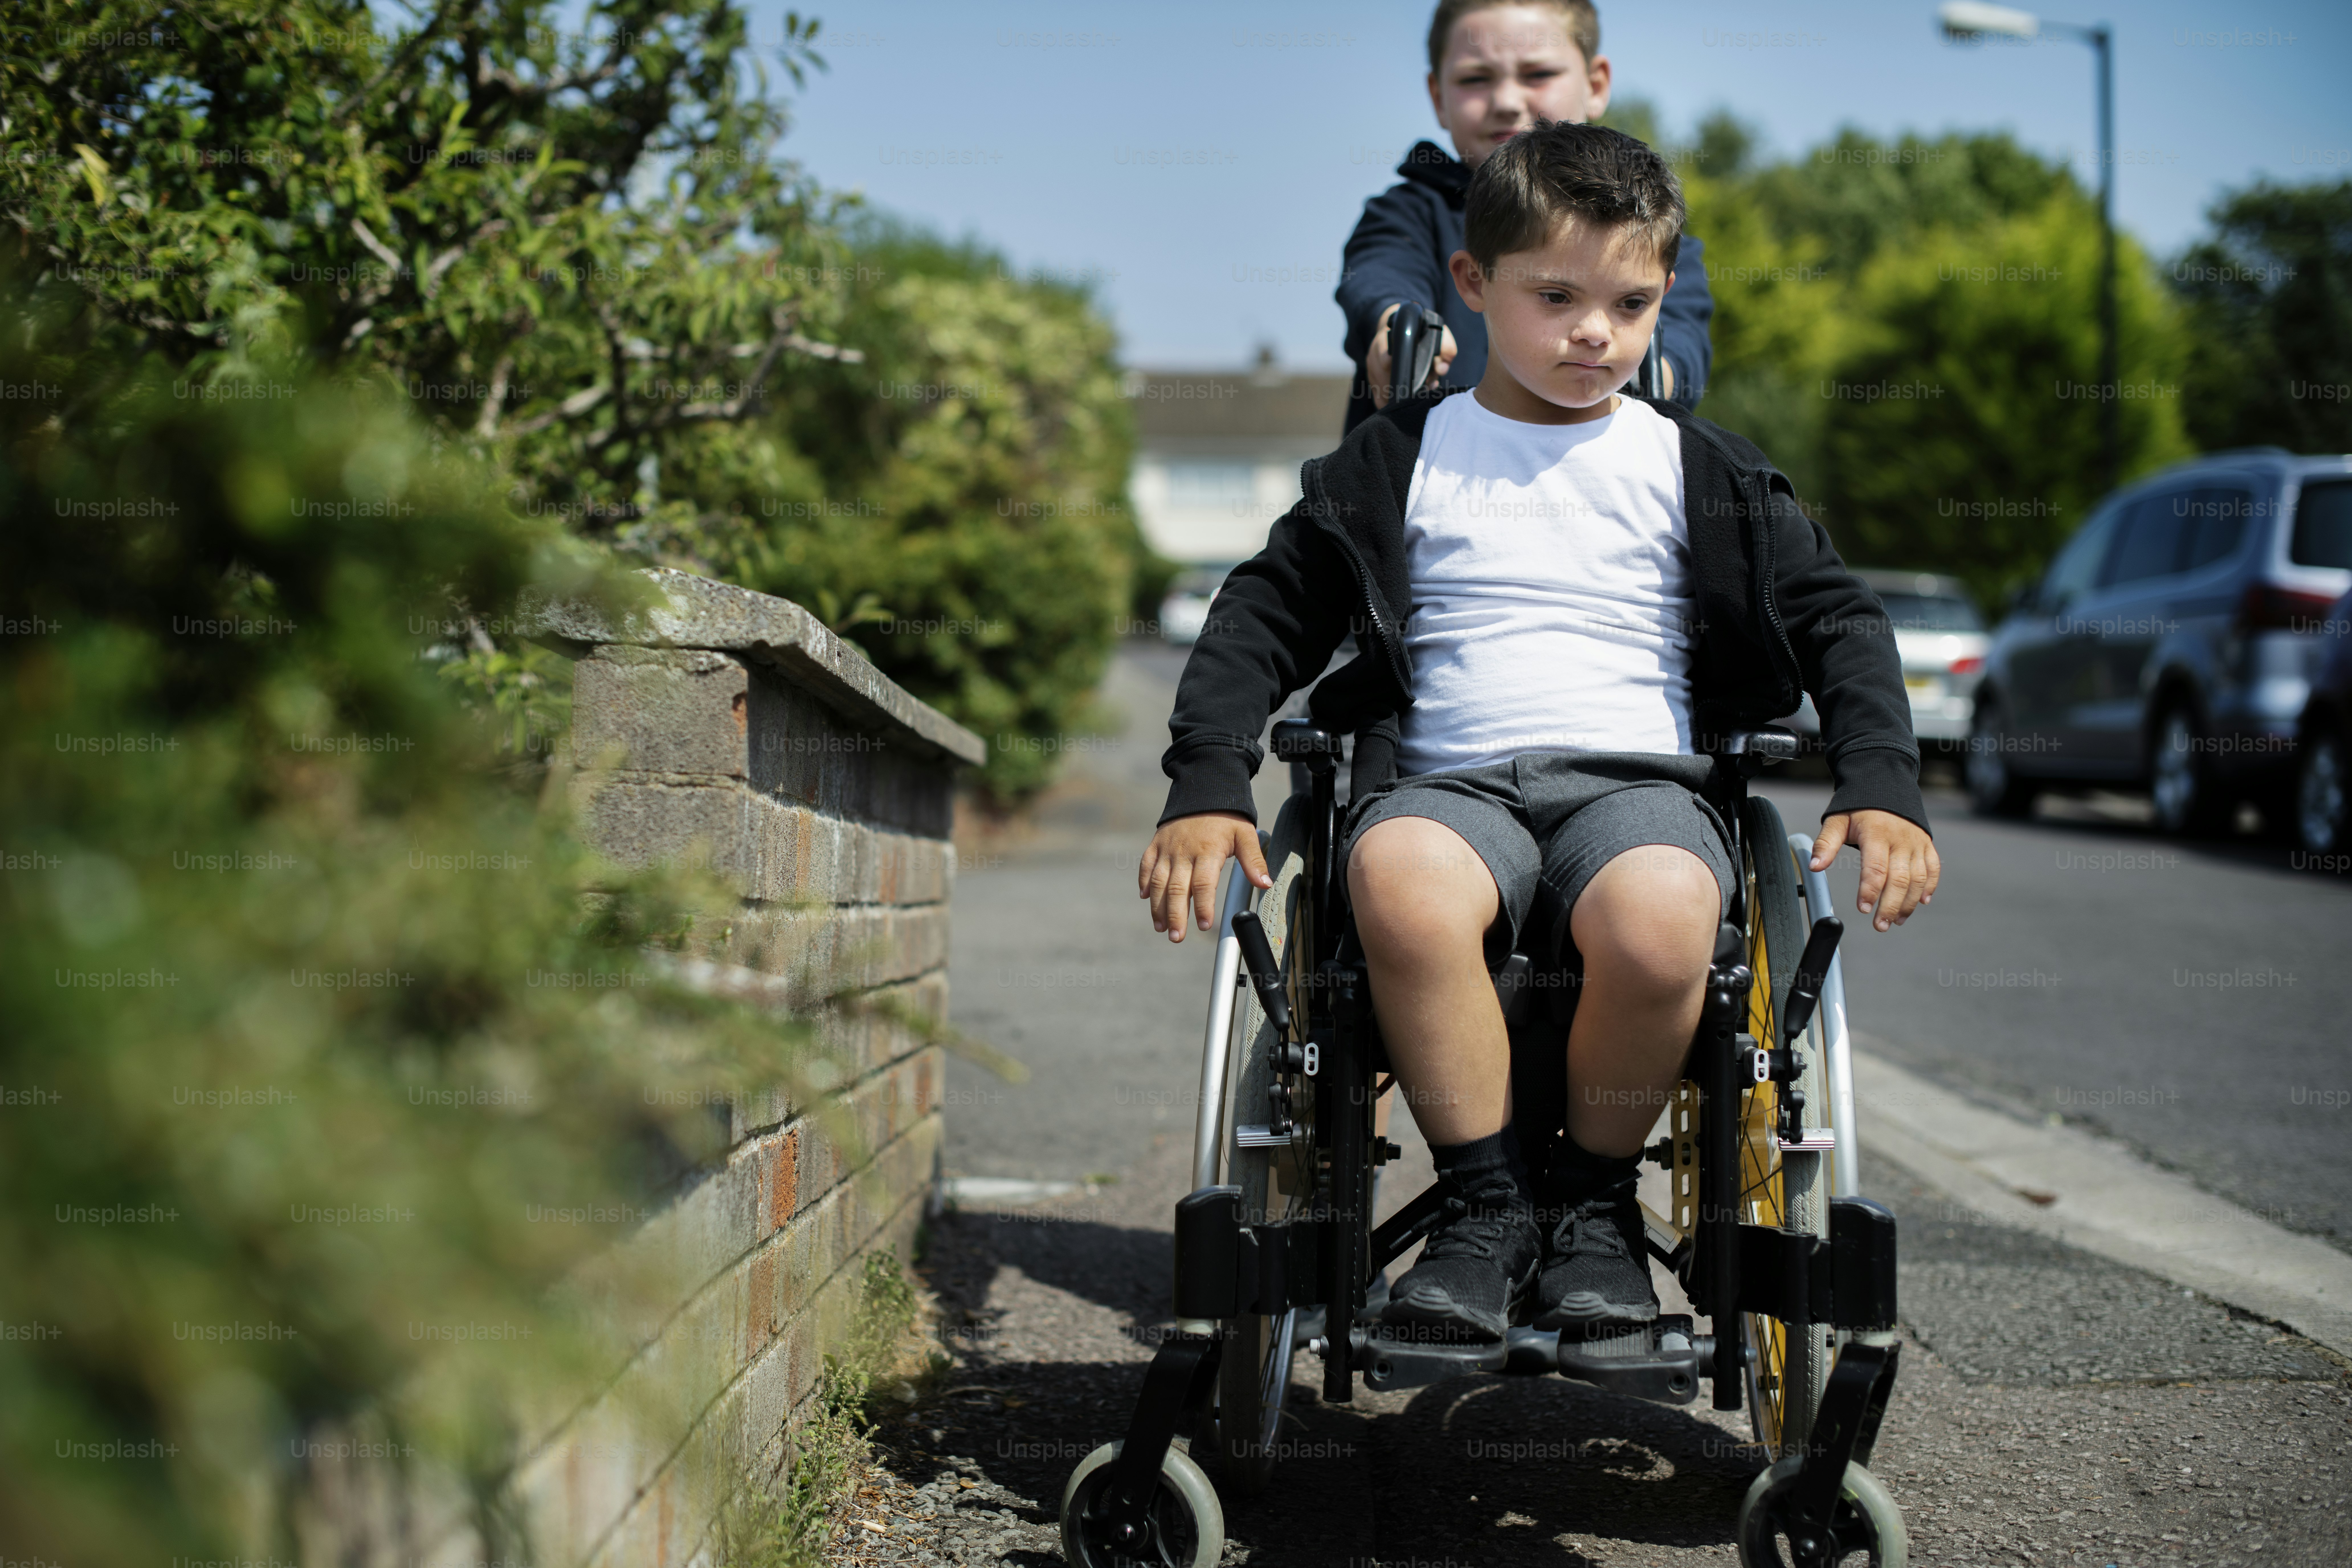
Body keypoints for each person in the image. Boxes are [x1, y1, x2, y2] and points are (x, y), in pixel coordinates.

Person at [1141, 122, 1937, 1344]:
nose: (1594, 332)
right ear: (1474, 285)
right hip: (1455, 786)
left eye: (1629, 301)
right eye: (1555, 295)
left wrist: (1880, 779)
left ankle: (1592, 1206)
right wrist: (1209, 780)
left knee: (1669, 913)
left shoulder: (1699, 468)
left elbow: (1840, 617)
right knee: (1395, 879)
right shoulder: (1399, 460)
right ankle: (1486, 1205)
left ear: (1665, 295)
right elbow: (1261, 613)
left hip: (1641, 784)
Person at [1338, 0, 1714, 434]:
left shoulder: (1646, 229)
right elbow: (1379, 273)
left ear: (1595, 84)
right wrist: (1398, 331)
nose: (1506, 101)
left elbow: (1683, 342)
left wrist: (1648, 381)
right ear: (1438, 97)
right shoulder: (1410, 211)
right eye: (1475, 79)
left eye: (1538, 75)